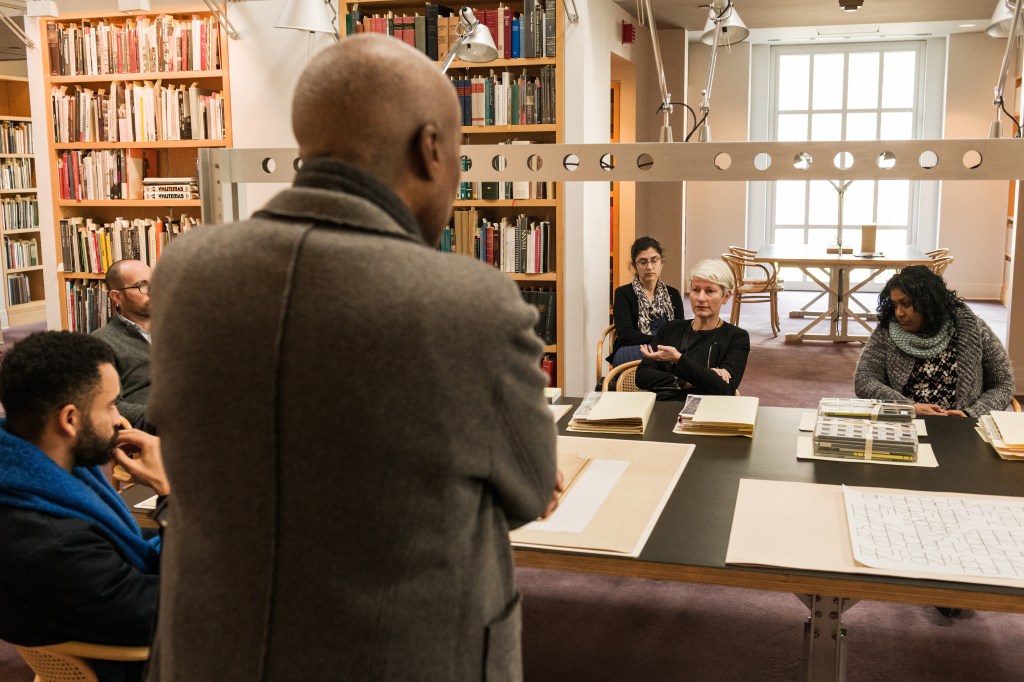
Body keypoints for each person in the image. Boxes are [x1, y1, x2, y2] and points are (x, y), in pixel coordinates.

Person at [145, 35, 559, 681]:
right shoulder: (471, 302)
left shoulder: (184, 270)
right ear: (431, 148)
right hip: (402, 655)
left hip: (211, 651)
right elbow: (530, 492)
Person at [0, 331, 169, 682]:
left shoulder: (44, 478)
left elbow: (118, 544)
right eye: (110, 405)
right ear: (70, 420)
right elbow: (172, 608)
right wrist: (171, 494)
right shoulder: (50, 544)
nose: (118, 420)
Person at [854, 265, 1014, 417]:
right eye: (895, 305)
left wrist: (972, 413)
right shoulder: (887, 331)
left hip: (963, 424)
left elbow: (1003, 384)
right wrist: (906, 406)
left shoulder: (972, 329)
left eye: (906, 304)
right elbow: (865, 379)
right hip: (905, 420)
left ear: (929, 302)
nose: (899, 313)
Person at [635, 259, 750, 400]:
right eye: (695, 290)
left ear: (725, 296)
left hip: (707, 412)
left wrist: (678, 359)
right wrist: (689, 381)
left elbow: (725, 388)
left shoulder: (736, 337)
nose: (701, 298)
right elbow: (642, 376)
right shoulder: (670, 328)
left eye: (710, 291)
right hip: (664, 407)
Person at [92, 259, 153, 428]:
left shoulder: (175, 330)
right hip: (154, 424)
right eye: (142, 285)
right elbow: (109, 405)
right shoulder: (101, 343)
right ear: (117, 296)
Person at [608, 236, 685, 366]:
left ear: (662, 262)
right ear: (634, 265)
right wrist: (657, 341)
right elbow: (625, 334)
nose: (649, 267)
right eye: (643, 262)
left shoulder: (673, 294)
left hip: (666, 348)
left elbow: (680, 330)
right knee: (664, 357)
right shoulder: (623, 293)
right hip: (634, 348)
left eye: (654, 261)